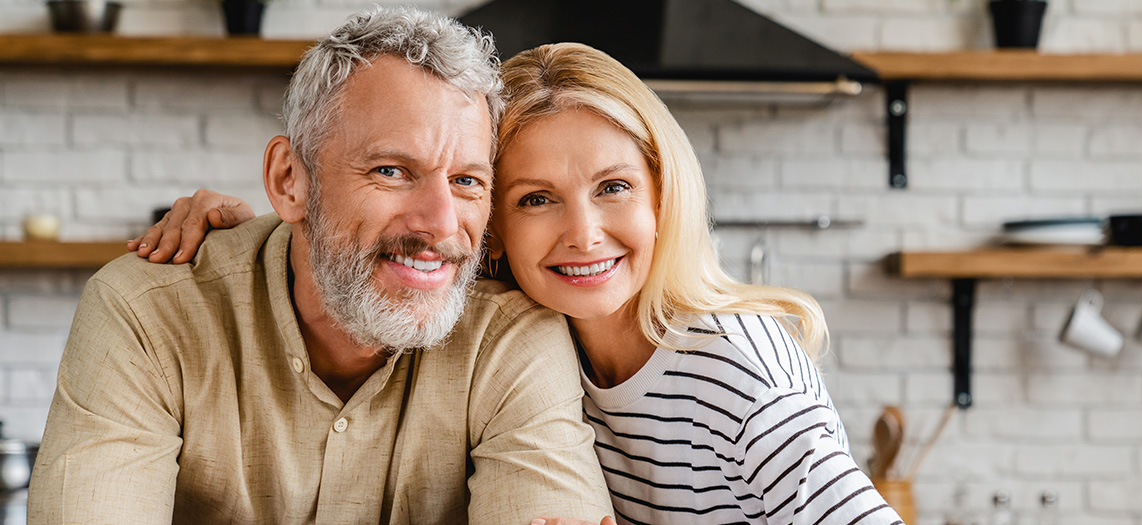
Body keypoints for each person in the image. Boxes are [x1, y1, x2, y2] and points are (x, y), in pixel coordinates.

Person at [136, 43, 904, 524]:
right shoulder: (533, 337)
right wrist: (239, 229)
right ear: (493, 222)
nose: (582, 233)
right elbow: (374, 233)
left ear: (665, 194)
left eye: (613, 187)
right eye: (537, 198)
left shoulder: (737, 370)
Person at [28, 8, 612, 524]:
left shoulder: (512, 339)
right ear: (290, 180)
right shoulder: (147, 314)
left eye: (466, 181)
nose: (439, 222)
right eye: (391, 171)